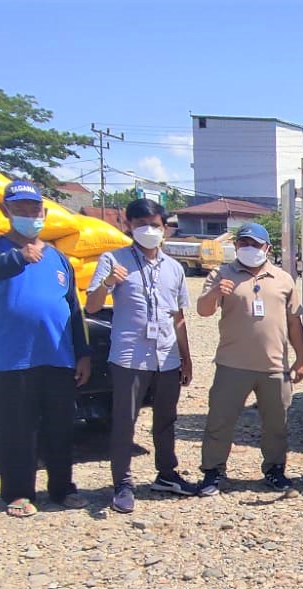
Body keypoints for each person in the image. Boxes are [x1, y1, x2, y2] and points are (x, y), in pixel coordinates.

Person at [0, 180, 90, 517]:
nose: (30, 214)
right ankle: (18, 492)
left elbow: (73, 308)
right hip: (14, 357)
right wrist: (16, 259)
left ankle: (62, 489)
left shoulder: (58, 257)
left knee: (60, 426)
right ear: (6, 211)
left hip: (58, 356)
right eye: (22, 208)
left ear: (44, 212)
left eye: (35, 208)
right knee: (18, 427)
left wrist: (83, 352)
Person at [86, 198, 197, 514]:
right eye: (141, 225)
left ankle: (166, 474)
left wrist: (186, 358)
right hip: (129, 357)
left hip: (167, 357)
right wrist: (108, 283)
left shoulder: (174, 268)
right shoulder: (113, 260)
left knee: (166, 419)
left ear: (165, 228)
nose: (149, 230)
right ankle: (122, 483)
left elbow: (178, 316)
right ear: (129, 226)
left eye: (155, 225)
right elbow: (92, 306)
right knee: (124, 421)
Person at [195, 222, 303, 495]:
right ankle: (212, 472)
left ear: (267, 248)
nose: (248, 249)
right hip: (232, 365)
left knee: (276, 424)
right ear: (236, 246)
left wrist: (301, 359)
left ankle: (275, 470)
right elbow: (203, 311)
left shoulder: (283, 279)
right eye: (243, 243)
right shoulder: (222, 274)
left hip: (274, 367)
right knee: (220, 421)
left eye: (255, 244)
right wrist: (214, 292)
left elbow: (294, 323)